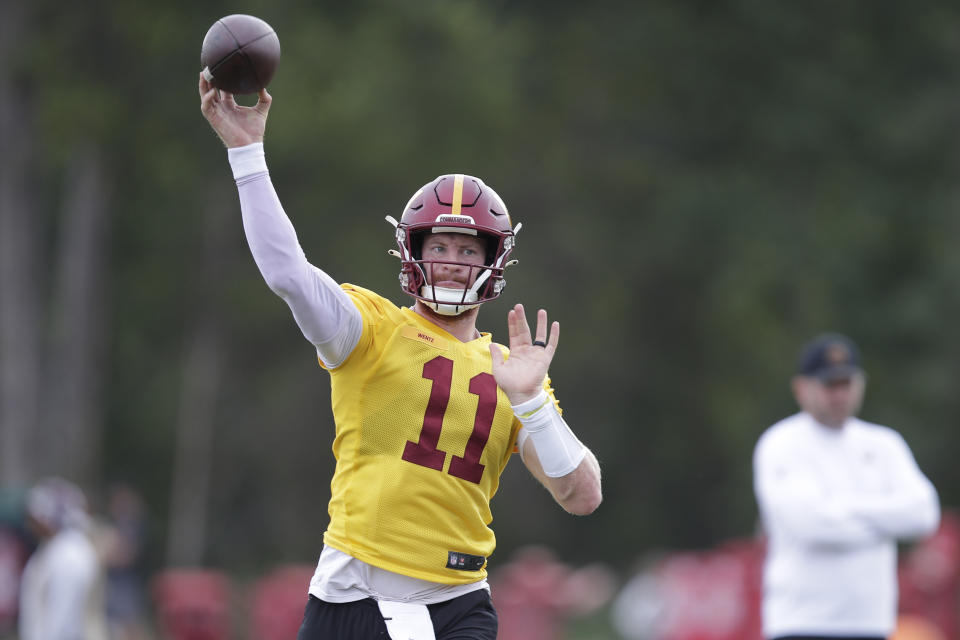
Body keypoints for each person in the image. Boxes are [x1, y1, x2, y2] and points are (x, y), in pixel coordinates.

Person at [198, 75, 602, 640]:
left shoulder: (513, 371)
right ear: (414, 253)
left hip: (457, 601)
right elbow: (289, 274)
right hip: (354, 594)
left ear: (493, 263)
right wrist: (247, 154)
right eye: (439, 246)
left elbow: (582, 495)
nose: (453, 262)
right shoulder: (373, 330)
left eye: (468, 249)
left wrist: (533, 402)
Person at [752, 333, 941, 640]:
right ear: (801, 388)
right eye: (829, 385)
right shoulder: (781, 443)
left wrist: (842, 508)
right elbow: (812, 525)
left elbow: (923, 514)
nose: (839, 395)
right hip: (801, 624)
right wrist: (884, 522)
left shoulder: (884, 444)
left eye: (846, 384)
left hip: (871, 623)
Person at [18, 477, 108, 640]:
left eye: (35, 518)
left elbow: (64, 621)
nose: (31, 524)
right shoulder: (54, 548)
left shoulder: (70, 554)